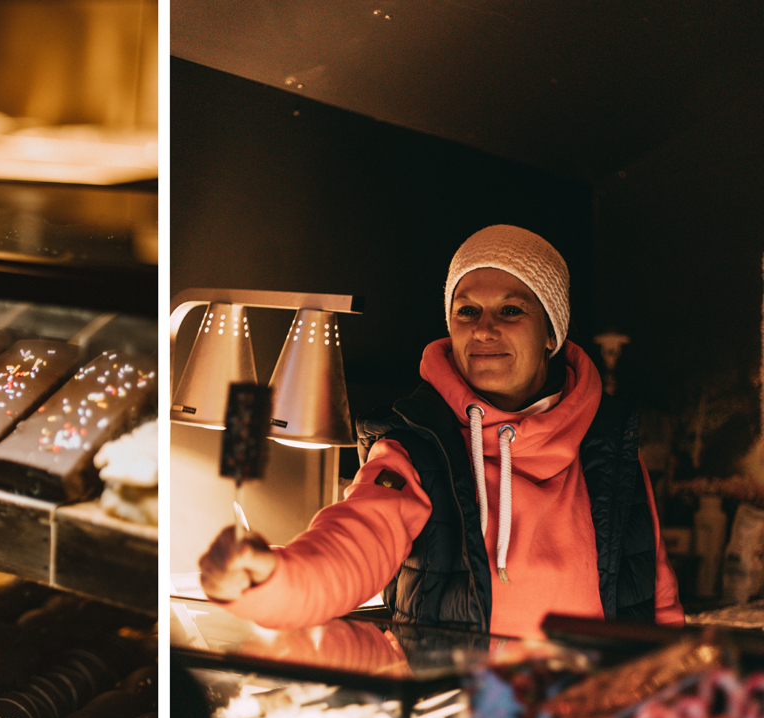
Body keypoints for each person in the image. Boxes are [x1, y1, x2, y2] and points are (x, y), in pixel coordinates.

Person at [199, 224, 685, 640]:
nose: (484, 330)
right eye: (466, 311)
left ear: (552, 333)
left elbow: (655, 596)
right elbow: (353, 544)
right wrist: (270, 578)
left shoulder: (608, 444)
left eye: (511, 310)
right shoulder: (415, 446)